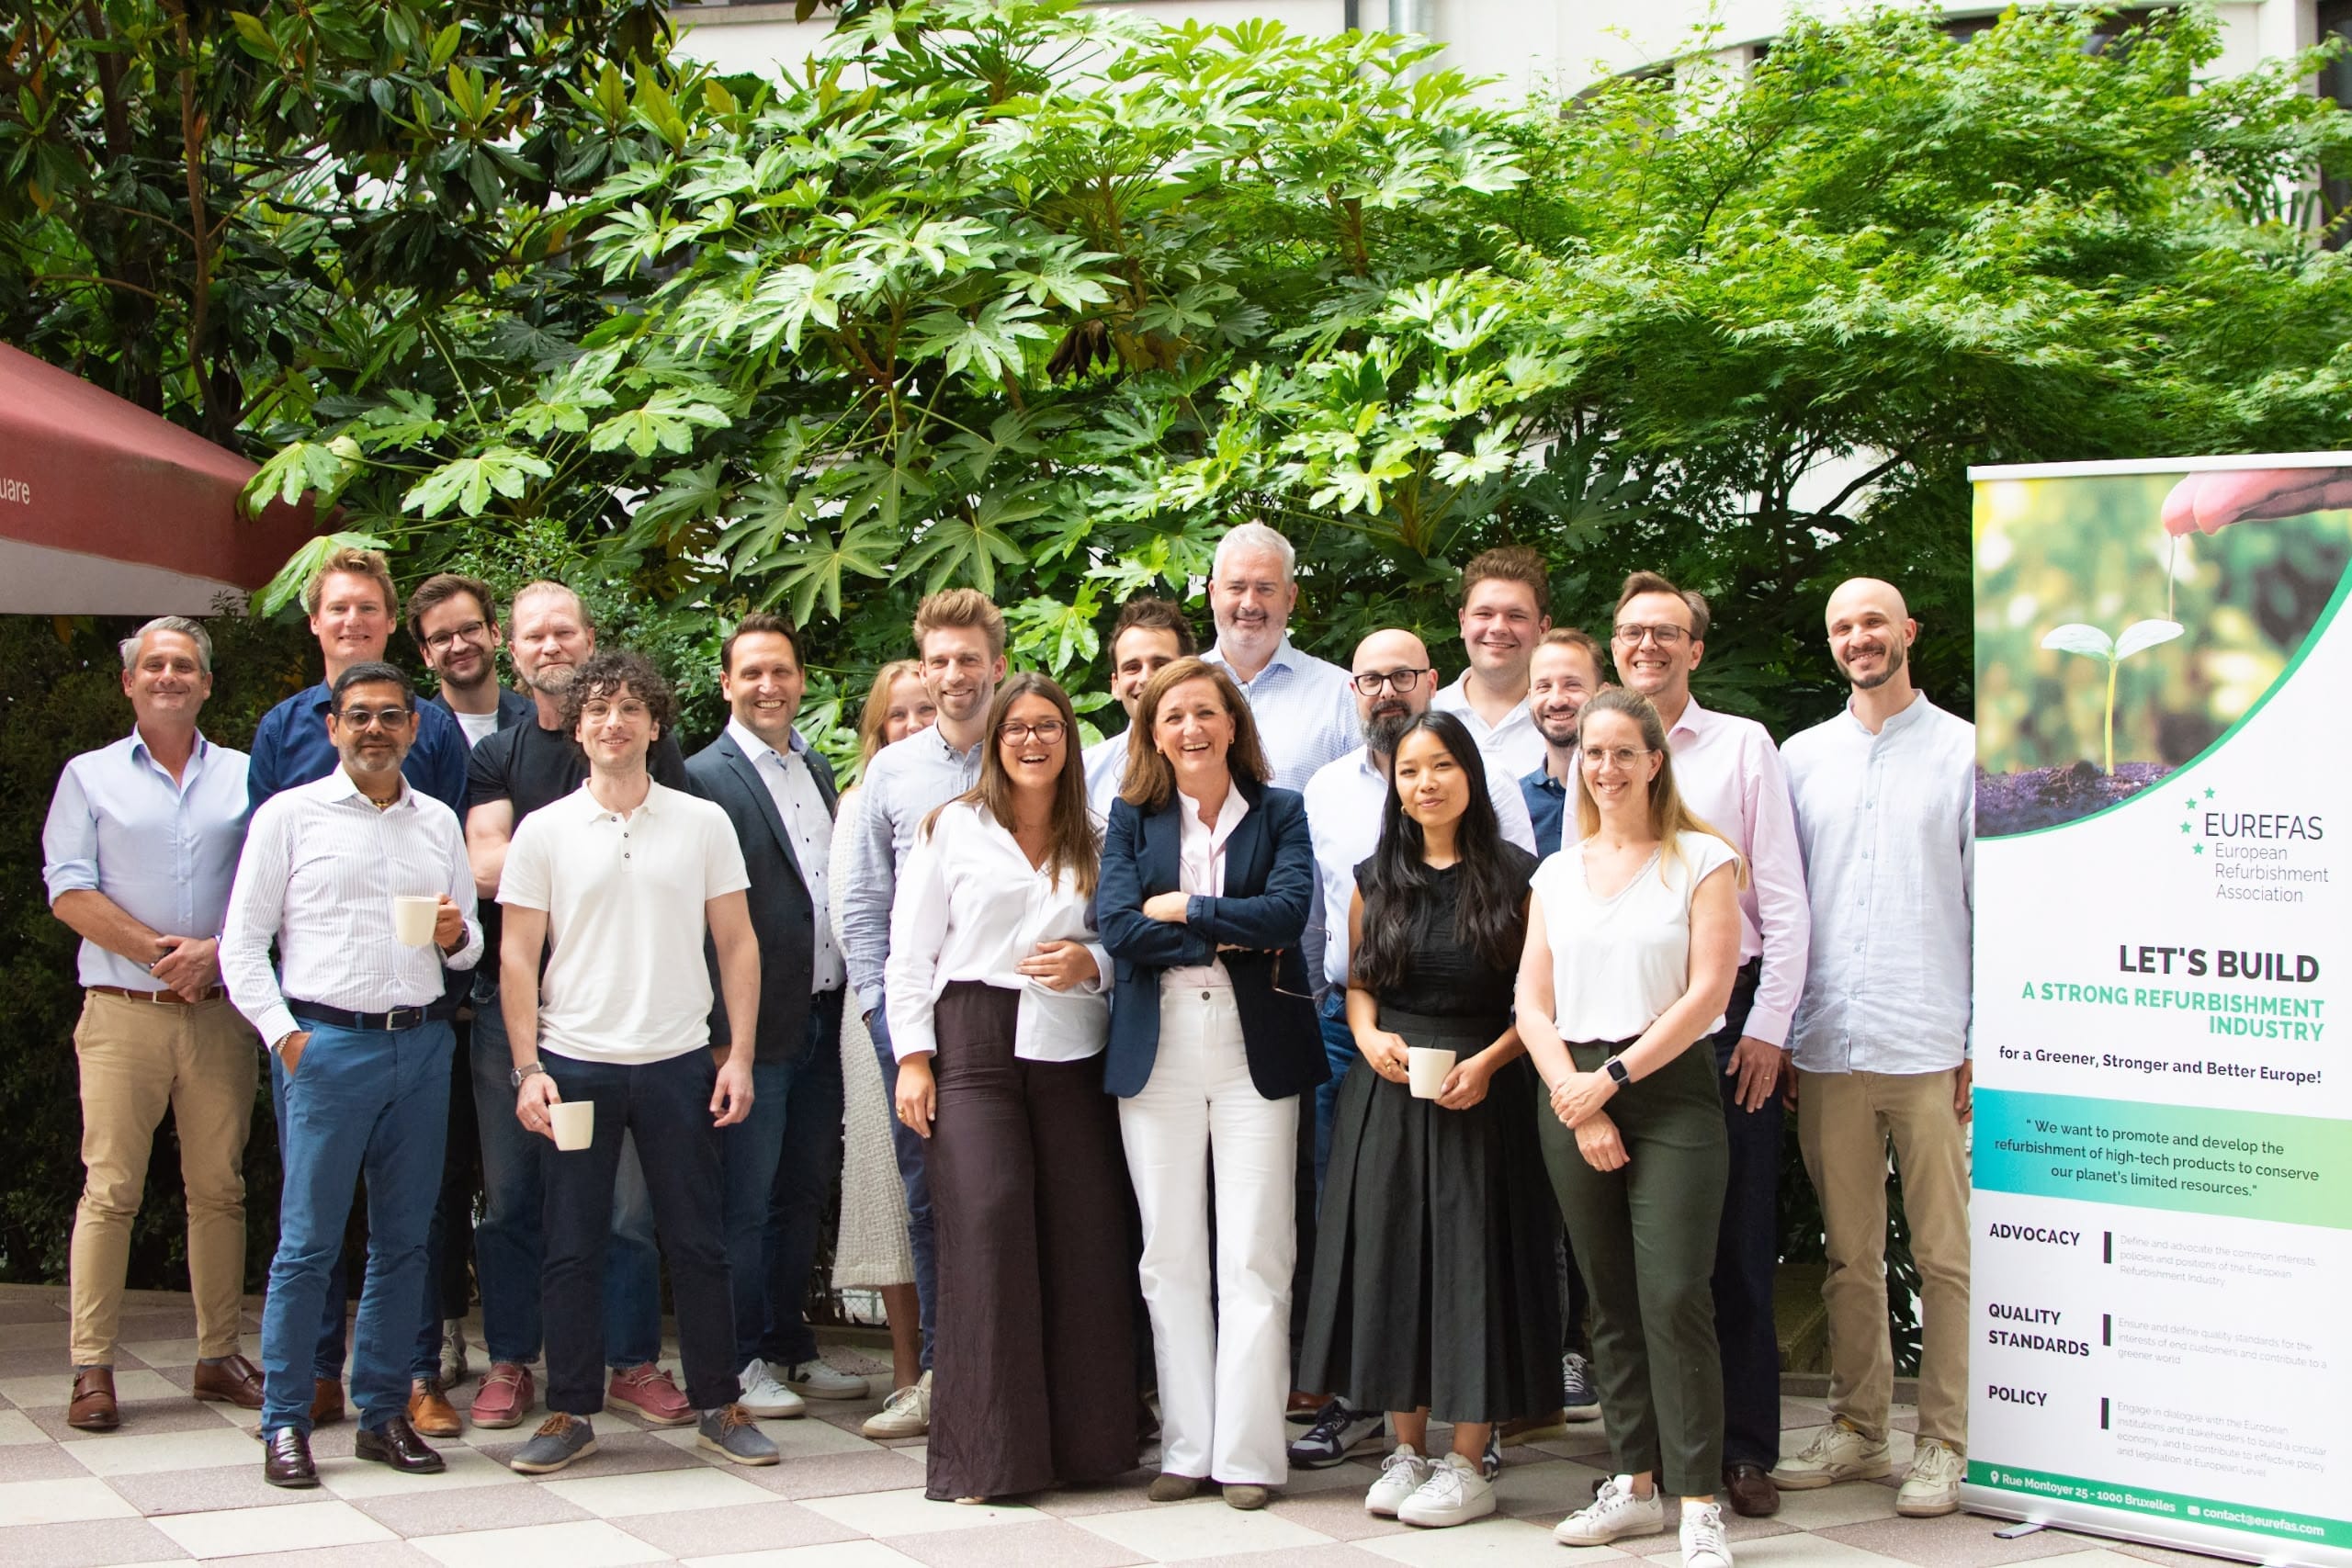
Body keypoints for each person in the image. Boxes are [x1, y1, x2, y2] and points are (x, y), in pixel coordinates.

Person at [496, 649, 779, 1474]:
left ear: (656, 725)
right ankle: (570, 1411)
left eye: (630, 708)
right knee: (572, 1243)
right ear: (577, 727)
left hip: (678, 1061)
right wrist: (527, 1068)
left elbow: (738, 943)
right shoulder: (542, 831)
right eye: (598, 710)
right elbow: (517, 957)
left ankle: (719, 1404)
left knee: (698, 1241)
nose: (613, 722)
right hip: (574, 1064)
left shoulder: (702, 823)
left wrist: (742, 1056)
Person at [221, 661, 482, 1488]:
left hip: (421, 1046)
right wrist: (286, 1040)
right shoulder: (288, 817)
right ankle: (286, 1421)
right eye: (358, 716)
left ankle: (380, 1414)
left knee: (404, 1244)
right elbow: (241, 946)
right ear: (332, 727)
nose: (376, 729)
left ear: (414, 727)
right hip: (326, 1048)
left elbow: (470, 944)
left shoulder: (439, 821)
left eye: (391, 716)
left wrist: (451, 936)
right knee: (307, 1247)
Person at [1297, 712, 1559, 1529]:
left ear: (1471, 774)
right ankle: (1407, 1448)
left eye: (1442, 765)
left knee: (1476, 1266)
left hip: (1486, 1091)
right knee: (1394, 1262)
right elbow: (1361, 981)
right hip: (1392, 1092)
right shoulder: (1375, 875)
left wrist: (1489, 1063)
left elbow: (1542, 1001)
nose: (1426, 783)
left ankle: (1467, 1456)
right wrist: (1370, 1034)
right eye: (1411, 771)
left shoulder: (1521, 876)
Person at [886, 673, 1136, 1501]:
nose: (1033, 742)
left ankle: (1089, 1449)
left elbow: (1122, 944)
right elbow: (910, 953)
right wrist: (914, 1057)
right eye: (1016, 729)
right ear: (994, 743)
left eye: (1049, 728)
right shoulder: (952, 829)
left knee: (1083, 1237)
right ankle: (989, 1459)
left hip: (1070, 1049)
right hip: (973, 1044)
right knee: (987, 1222)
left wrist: (1090, 962)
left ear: (1070, 740)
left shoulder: (1097, 835)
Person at [1521, 686, 1744, 1568]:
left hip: (1668, 1091)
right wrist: (1577, 1095)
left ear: (1656, 761)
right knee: (1608, 1298)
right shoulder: (1555, 872)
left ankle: (1697, 1502)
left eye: (1623, 752)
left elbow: (1708, 995)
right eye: (1592, 753)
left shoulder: (1702, 859)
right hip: (1571, 1086)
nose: (1605, 768)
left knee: (1675, 1294)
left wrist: (1611, 1080)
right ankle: (1632, 1483)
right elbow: (1531, 1002)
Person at [1098, 657, 1327, 1511]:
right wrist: (1227, 930)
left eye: (1205, 712)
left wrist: (1186, 909)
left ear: (1233, 722)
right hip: (1156, 1050)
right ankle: (1188, 1446)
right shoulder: (1130, 817)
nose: (1190, 729)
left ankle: (1250, 1455)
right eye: (1172, 717)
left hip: (1252, 1046)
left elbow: (1288, 915)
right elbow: (1119, 926)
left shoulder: (1282, 810)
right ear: (1152, 733)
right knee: (1170, 1253)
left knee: (1258, 1251)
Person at [460, 581, 691, 1431]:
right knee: (516, 1194)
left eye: (565, 631)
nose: (550, 645)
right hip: (514, 1013)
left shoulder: (644, 742)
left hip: (625, 1014)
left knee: (628, 1204)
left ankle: (630, 1359)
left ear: (590, 639)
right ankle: (515, 1360)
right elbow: (487, 868)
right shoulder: (498, 755)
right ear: (509, 650)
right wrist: (566, 850)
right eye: (533, 636)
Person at [1770, 579, 1974, 1518]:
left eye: (1872, 622)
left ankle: (1943, 1442)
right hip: (1828, 1045)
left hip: (1930, 1042)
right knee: (1849, 1256)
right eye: (1842, 626)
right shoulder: (1799, 759)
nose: (1858, 638)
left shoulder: (1968, 754)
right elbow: (1778, 907)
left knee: (1942, 1256)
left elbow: (1989, 903)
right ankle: (1859, 1428)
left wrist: (1982, 1038)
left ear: (1908, 633)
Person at [1611, 570, 1811, 1518]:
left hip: (1726, 1031)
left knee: (1732, 1253)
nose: (1646, 646)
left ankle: (1741, 1449)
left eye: (1666, 633)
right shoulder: (1595, 748)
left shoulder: (1741, 747)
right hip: (1619, 1028)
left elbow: (1785, 902)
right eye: (1631, 632)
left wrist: (1768, 1028)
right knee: (1639, 1259)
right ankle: (1646, 1454)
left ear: (1695, 648)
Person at [44, 616, 261, 1430]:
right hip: (121, 1014)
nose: (169, 675)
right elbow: (67, 888)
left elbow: (268, 880)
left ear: (206, 683)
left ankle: (216, 1354)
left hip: (216, 1014)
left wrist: (213, 953)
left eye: (185, 665)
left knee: (220, 1189)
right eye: (154, 665)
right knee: (111, 1191)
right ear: (130, 682)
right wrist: (156, 952)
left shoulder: (245, 775)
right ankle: (91, 1368)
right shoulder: (87, 777)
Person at [839, 589, 1009, 1440]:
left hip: (1025, 1017)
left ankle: (1014, 1371)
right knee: (929, 1196)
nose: (952, 675)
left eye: (967, 658)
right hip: (918, 1025)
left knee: (1012, 1193)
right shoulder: (893, 773)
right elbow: (864, 906)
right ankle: (945, 1374)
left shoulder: (1035, 750)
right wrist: (884, 1020)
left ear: (997, 665)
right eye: (938, 659)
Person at [687, 615, 866, 1419]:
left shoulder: (817, 767)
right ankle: (739, 1357)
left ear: (801, 679)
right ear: (726, 683)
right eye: (752, 672)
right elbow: (693, 916)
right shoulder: (702, 777)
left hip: (823, 1017)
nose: (769, 686)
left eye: (782, 671)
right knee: (745, 1197)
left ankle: (789, 1343)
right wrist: (724, 1032)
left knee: (801, 1192)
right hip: (748, 1030)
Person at [405, 572, 535, 1424]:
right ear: (424, 652)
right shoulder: (410, 727)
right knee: (440, 1175)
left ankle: (529, 1343)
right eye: (440, 636)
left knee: (521, 1172)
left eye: (469, 630)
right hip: (434, 979)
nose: (458, 644)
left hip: (524, 976)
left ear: (496, 634)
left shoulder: (540, 718)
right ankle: (443, 1332)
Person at [831, 662, 929, 1433]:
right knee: (892, 1197)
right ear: (877, 728)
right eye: (897, 714)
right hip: (878, 1023)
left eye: (925, 708)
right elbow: (852, 917)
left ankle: (953, 1363)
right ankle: (906, 1369)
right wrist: (882, 1019)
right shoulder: (861, 801)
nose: (913, 723)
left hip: (955, 1015)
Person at [1199, 523, 1359, 792]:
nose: (1249, 604)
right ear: (1213, 594)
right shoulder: (1174, 691)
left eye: (1265, 588)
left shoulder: (1342, 695)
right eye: (1236, 587)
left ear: (1291, 597)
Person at [1430, 546, 1551, 779]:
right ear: (1463, 622)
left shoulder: (1567, 721)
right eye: (1484, 614)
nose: (1498, 628)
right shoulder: (1427, 714)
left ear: (1542, 629)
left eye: (1516, 616)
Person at [1083, 595, 1195, 818]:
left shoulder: (1217, 766)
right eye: (1132, 667)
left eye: (1160, 665)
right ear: (1115, 685)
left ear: (1190, 673)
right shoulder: (1085, 773)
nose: (1146, 678)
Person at [1519, 628, 1607, 857]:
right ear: (1530, 698)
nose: (1557, 700)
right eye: (1544, 687)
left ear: (1602, 694)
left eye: (1572, 685)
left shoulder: (1626, 794)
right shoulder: (1515, 803)